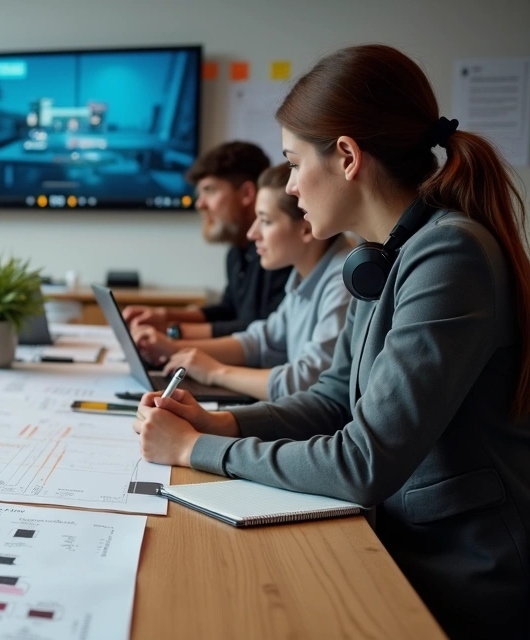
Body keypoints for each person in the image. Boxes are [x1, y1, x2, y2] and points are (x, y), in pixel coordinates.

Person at [131, 45, 530, 637]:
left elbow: (363, 461)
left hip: (463, 576)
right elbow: (334, 397)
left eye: (292, 163)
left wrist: (194, 452)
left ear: (346, 156)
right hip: (403, 546)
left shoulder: (450, 255)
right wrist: (220, 424)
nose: (290, 186)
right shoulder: (381, 257)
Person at [130, 164, 353, 400]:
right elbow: (260, 340)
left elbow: (308, 380)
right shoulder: (304, 277)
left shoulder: (342, 281)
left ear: (306, 228)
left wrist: (216, 372)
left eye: (265, 221)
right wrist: (175, 349)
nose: (252, 233)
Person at [122, 142, 291, 339]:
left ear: (246, 193)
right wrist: (163, 316)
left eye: (209, 190)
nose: (200, 203)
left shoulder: (280, 252)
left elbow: (263, 331)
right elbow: (228, 311)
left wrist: (174, 332)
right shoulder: (236, 252)